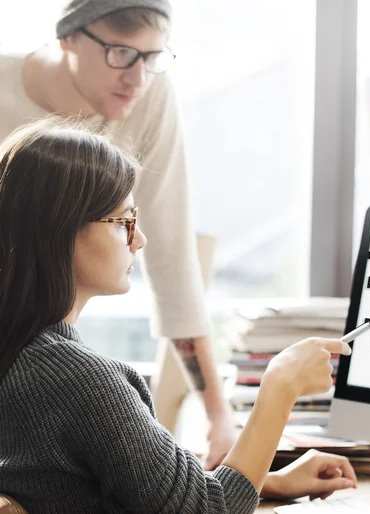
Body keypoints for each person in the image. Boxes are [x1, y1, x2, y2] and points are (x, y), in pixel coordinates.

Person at [0, 118, 357, 513]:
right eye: (124, 222)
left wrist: (265, 482)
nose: (140, 239)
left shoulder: (23, 358)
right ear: (60, 231)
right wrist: (280, 387)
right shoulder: (79, 381)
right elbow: (208, 510)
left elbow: (95, 489)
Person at [0, 0, 236, 468]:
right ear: (68, 37)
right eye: (121, 53)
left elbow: (170, 255)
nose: (138, 78)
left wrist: (218, 417)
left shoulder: (150, 93)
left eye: (153, 57)